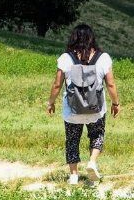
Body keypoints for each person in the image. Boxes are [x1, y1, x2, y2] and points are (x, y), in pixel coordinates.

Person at [49, 24, 120, 185]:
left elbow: (56, 85)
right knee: (97, 135)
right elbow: (110, 84)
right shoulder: (103, 58)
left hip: (72, 111)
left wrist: (50, 103)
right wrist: (116, 103)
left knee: (72, 140)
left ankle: (73, 175)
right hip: (96, 110)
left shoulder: (65, 58)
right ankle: (92, 162)